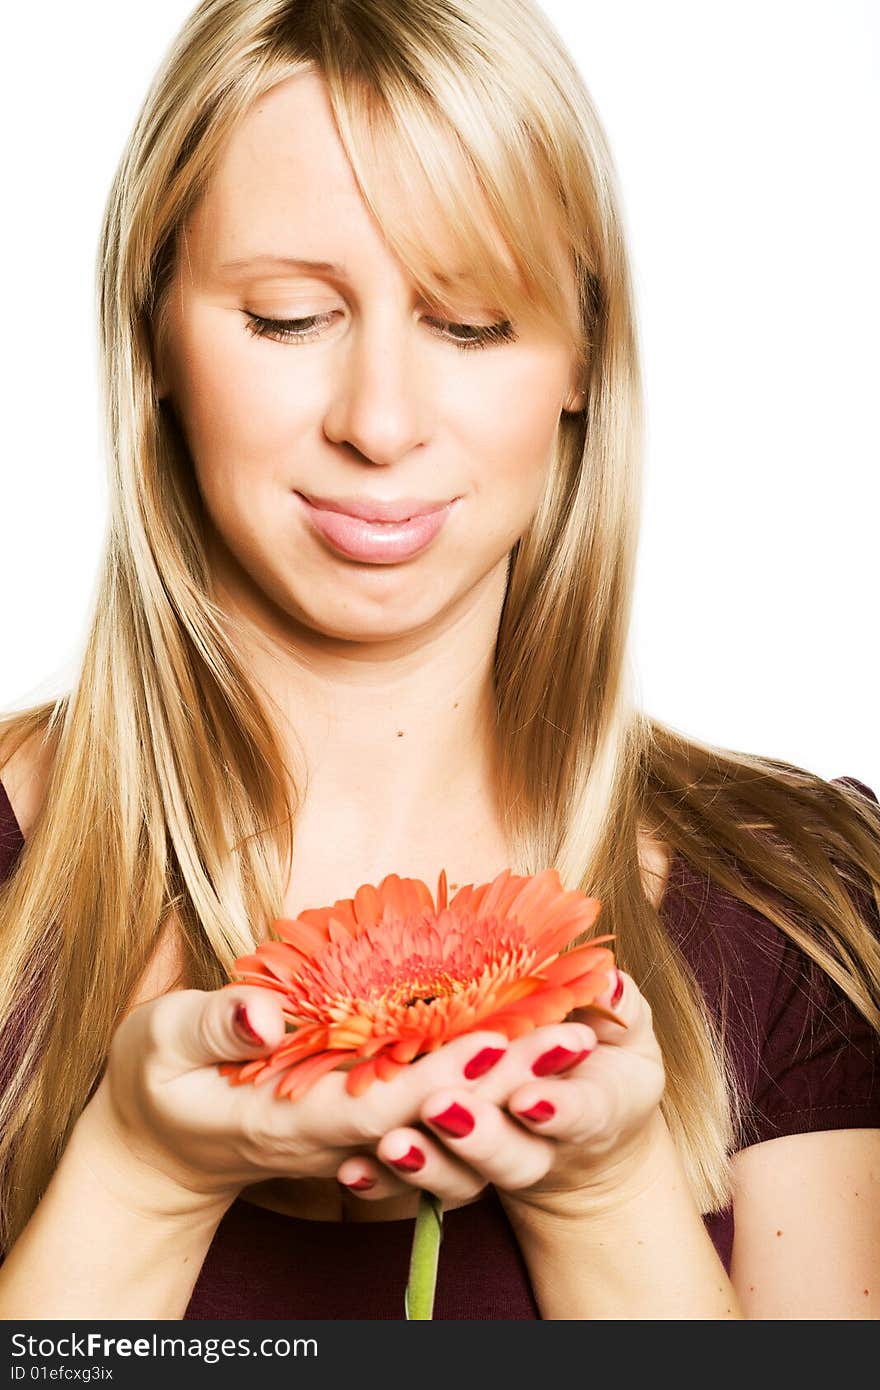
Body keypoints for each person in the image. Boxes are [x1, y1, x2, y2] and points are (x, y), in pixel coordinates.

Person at [0, 0, 878, 1322]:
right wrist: (139, 1176)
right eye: (291, 318)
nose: (382, 421)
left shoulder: (801, 901)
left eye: (469, 324)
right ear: (156, 333)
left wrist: (602, 1190)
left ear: (584, 354)